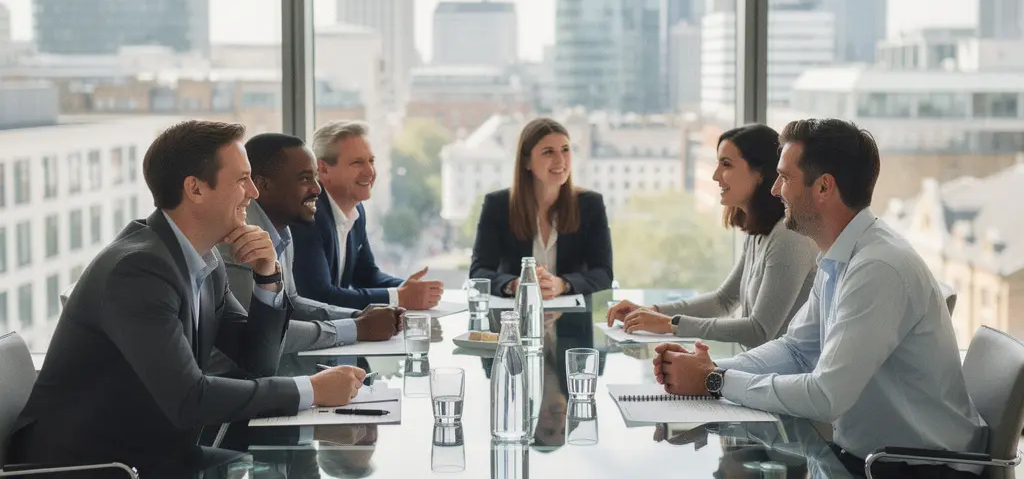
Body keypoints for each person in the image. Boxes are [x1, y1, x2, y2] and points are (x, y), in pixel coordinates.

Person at [8, 120, 367, 473]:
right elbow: (188, 399)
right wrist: (312, 390)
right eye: (242, 180)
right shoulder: (139, 269)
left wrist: (268, 277)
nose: (254, 193)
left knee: (273, 468)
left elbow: (256, 362)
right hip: (96, 464)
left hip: (154, 451)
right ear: (195, 189)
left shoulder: (203, 259)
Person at [652, 119, 987, 479]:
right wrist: (707, 369)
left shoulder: (877, 268)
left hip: (916, 469)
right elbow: (797, 350)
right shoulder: (839, 256)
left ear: (824, 186)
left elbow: (826, 396)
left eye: (785, 177)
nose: (776, 189)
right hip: (868, 458)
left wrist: (714, 380)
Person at [607, 124, 817, 347]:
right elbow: (724, 300)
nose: (716, 175)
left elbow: (759, 331)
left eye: (726, 164)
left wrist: (671, 324)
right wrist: (650, 311)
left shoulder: (789, 236)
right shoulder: (758, 232)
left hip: (782, 377)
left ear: (760, 173)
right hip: (759, 370)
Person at [217, 133, 403, 354]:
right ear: (263, 185)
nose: (317, 188)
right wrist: (356, 328)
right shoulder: (240, 237)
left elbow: (292, 302)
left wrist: (357, 315)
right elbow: (261, 333)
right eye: (305, 179)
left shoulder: (282, 230)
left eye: (315, 177)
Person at [291, 121, 444, 310]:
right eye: (357, 163)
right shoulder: (309, 214)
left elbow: (366, 276)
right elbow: (319, 296)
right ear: (323, 169)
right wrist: (399, 297)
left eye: (371, 161)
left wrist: (408, 289)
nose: (370, 172)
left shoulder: (357, 210)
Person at [469, 117, 613, 298]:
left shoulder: (590, 204)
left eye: (565, 150)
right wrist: (515, 285)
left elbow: (604, 273)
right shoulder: (498, 205)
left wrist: (563, 284)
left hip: (572, 321)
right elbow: (479, 272)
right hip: (513, 319)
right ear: (527, 162)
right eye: (548, 152)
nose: (560, 160)